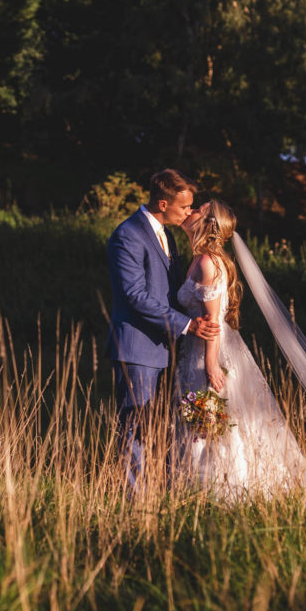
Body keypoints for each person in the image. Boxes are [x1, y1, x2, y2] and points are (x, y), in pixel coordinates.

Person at [172, 200, 306, 500]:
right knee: (204, 425)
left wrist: (210, 366)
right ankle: (198, 489)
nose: (190, 211)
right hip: (195, 351)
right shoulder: (199, 259)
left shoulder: (208, 263)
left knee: (210, 426)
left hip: (208, 354)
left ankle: (223, 492)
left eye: (199, 209)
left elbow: (212, 321)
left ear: (207, 223)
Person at [105, 169, 219, 484]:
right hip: (137, 347)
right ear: (164, 203)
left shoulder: (166, 235)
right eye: (185, 207)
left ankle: (163, 498)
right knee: (134, 429)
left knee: (160, 429)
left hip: (167, 350)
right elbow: (135, 295)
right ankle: (134, 507)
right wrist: (187, 325)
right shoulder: (128, 234)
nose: (189, 213)